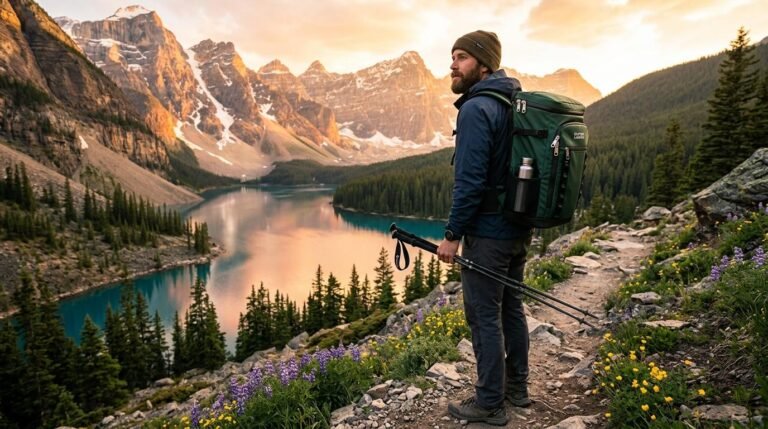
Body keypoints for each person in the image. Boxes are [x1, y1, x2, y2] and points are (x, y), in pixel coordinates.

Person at [437, 30, 532, 426]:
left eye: (461, 57)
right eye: (453, 57)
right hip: (516, 228)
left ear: (484, 64)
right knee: (511, 307)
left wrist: (452, 235)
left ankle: (490, 403)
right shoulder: (516, 102)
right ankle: (518, 390)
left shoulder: (476, 109)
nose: (453, 65)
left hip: (488, 236)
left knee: (484, 316)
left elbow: (470, 182)